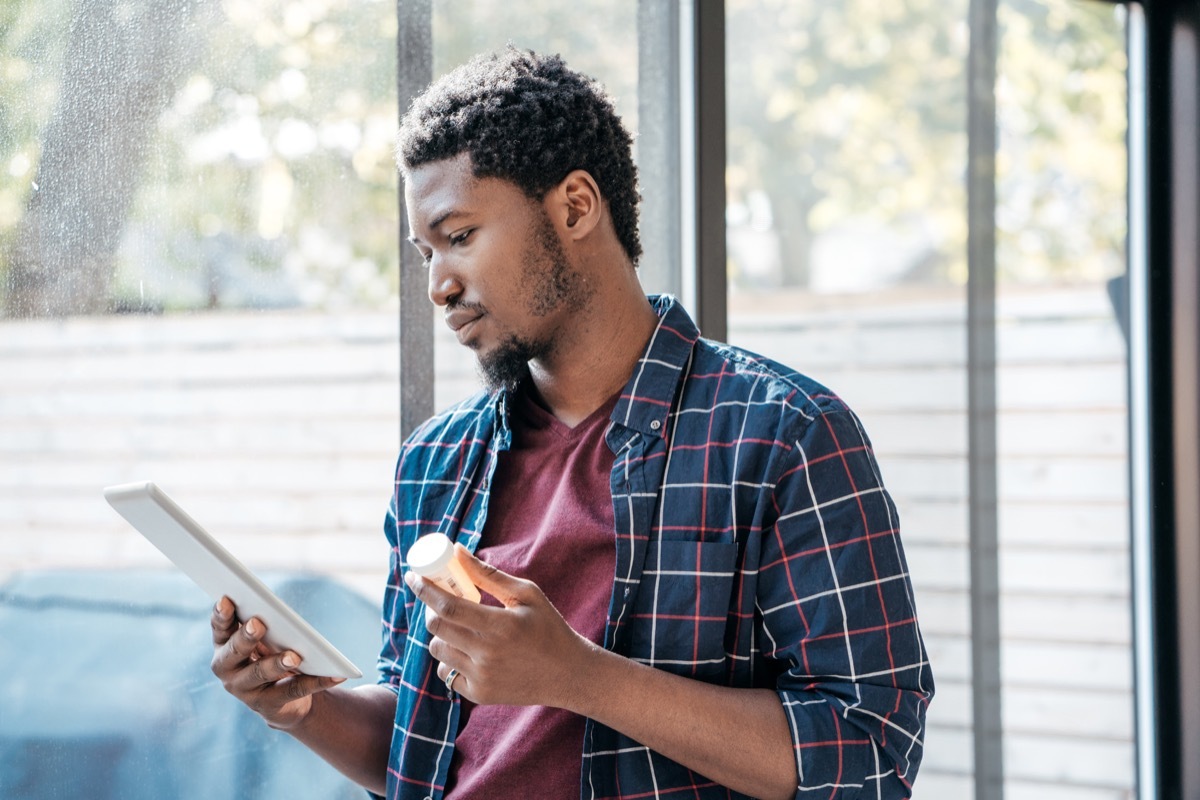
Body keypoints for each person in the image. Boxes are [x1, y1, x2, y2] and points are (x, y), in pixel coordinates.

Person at [210, 47, 933, 800]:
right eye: (425, 253)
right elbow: (417, 743)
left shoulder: (786, 435)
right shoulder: (434, 461)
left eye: (460, 236)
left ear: (577, 206)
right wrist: (302, 707)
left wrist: (578, 676)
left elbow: (870, 752)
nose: (438, 285)